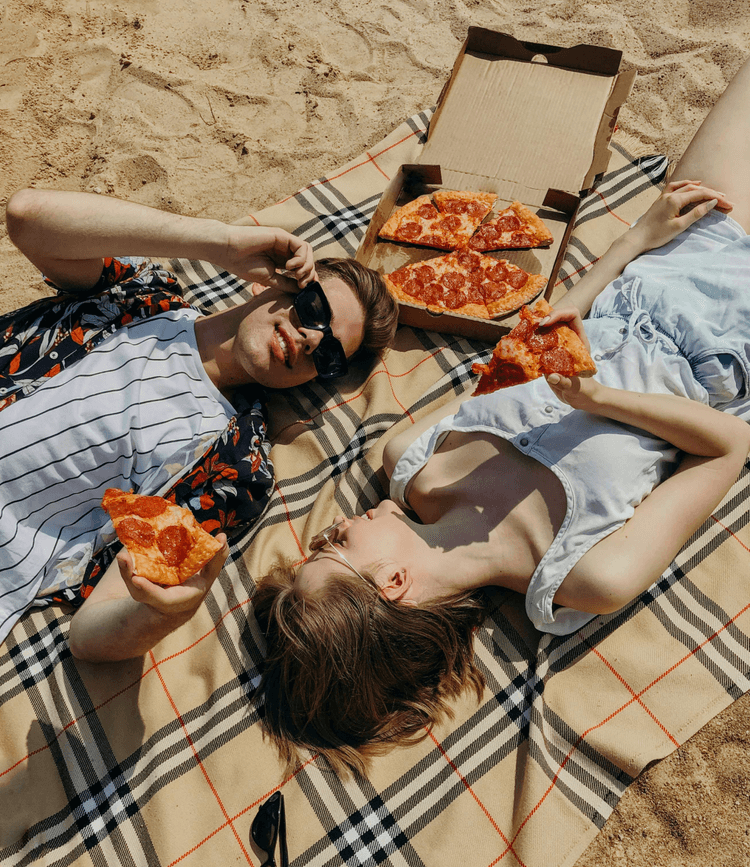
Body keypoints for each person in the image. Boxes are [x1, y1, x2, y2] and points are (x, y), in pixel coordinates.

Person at [240, 57, 750, 776]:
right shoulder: (584, 577)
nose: (337, 525)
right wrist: (601, 402)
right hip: (733, 346)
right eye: (332, 546)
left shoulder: (410, 458)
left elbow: (534, 342)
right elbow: (729, 446)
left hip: (659, 266)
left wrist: (636, 239)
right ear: (392, 583)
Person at [1, 189, 398, 644]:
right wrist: (219, 243)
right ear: (269, 284)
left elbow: (91, 633)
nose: (311, 339)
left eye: (328, 355)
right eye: (314, 309)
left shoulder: (233, 464)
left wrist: (163, 614)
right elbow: (27, 217)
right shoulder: (143, 293)